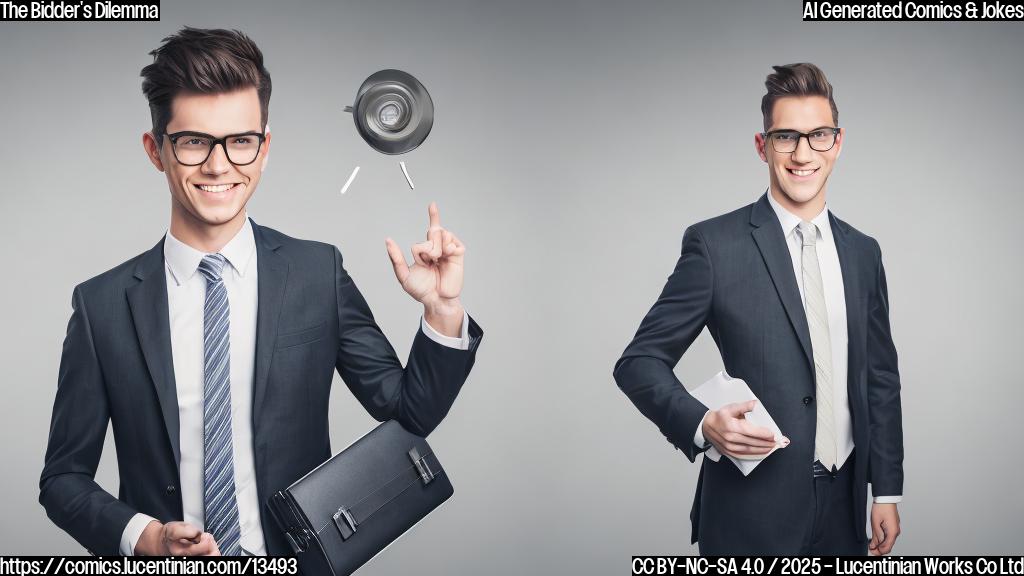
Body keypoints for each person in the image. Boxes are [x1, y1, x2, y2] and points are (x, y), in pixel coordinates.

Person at [39, 27, 483, 557]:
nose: (219, 165)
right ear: (156, 150)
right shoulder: (101, 306)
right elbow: (63, 479)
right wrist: (144, 537)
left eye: (241, 141)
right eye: (193, 141)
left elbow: (410, 415)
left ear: (264, 147)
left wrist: (442, 309)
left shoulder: (318, 271)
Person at [613, 63, 903, 556]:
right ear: (762, 145)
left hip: (846, 511)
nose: (802, 152)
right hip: (750, 517)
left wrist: (887, 489)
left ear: (838, 142)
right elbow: (638, 363)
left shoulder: (864, 252)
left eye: (818, 136)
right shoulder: (715, 245)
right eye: (785, 136)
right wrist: (703, 423)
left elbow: (879, 378)